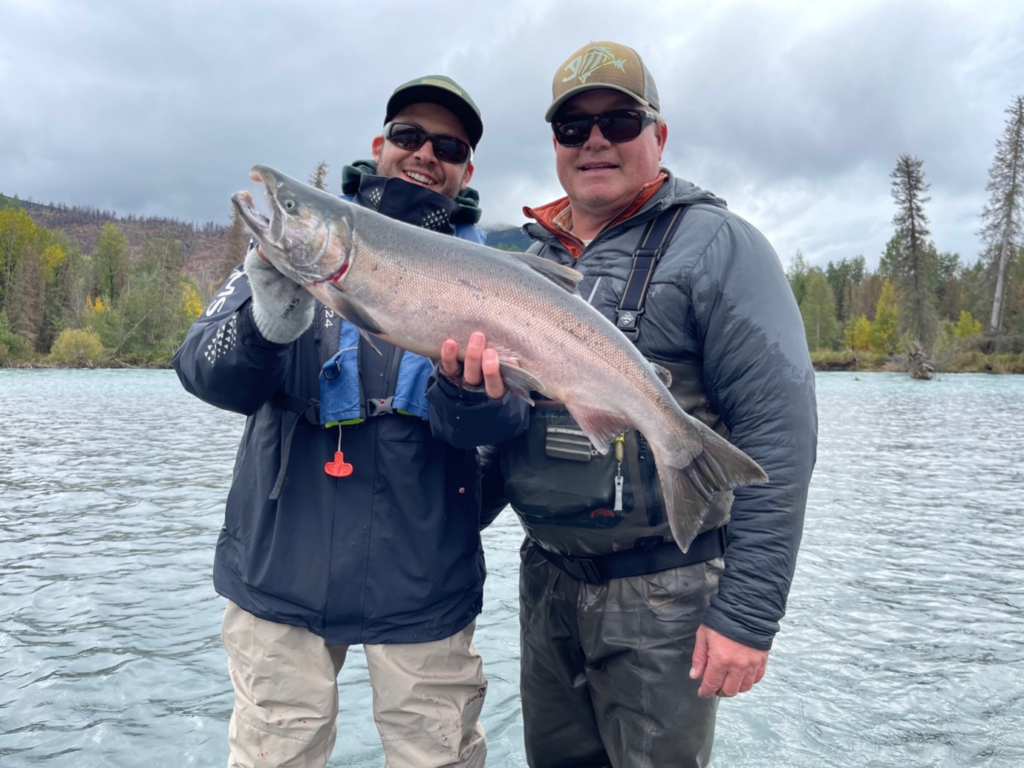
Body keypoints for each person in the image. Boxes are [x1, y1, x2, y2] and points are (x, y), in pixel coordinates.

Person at [434, 41, 818, 767]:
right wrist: (466, 401)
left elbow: (780, 438)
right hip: (546, 582)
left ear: (659, 135)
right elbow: (492, 440)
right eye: (573, 129)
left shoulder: (720, 247)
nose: (596, 141)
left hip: (666, 599)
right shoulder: (526, 262)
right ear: (555, 145)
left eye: (619, 120)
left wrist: (748, 615)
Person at [172, 75, 527, 768]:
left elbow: (506, 423)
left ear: (466, 168)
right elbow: (201, 369)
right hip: (280, 579)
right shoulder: (296, 245)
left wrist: (470, 395)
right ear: (380, 144)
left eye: (447, 144)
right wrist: (264, 325)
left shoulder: (495, 270)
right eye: (408, 136)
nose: (425, 152)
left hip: (426, 583)